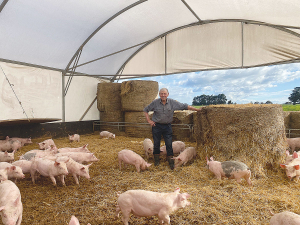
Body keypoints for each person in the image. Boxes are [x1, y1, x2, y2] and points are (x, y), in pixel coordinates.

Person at [143, 88, 201, 170]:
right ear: (159, 94)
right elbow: (145, 110)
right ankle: (156, 162)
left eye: (164, 93)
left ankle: (171, 162)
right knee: (156, 144)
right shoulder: (155, 103)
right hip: (156, 126)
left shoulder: (172, 102)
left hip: (167, 126)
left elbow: (184, 106)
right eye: (161, 93)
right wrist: (149, 120)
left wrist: (197, 109)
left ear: (168, 94)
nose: (163, 95)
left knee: (169, 144)